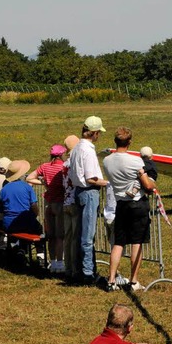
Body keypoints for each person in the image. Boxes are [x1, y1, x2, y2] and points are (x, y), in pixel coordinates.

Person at [103, 127, 156, 292]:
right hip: (137, 203)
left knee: (118, 243)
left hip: (120, 204)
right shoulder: (136, 161)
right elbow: (147, 185)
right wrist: (152, 183)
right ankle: (134, 280)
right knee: (136, 242)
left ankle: (111, 280)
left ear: (115, 141)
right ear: (129, 142)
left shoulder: (107, 161)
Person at [69, 116, 108, 284]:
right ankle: (87, 273)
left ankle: (81, 268)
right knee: (88, 235)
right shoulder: (88, 150)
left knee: (80, 233)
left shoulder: (77, 147)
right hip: (89, 191)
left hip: (78, 191)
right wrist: (108, 182)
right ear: (95, 133)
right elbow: (92, 178)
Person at [27, 145, 66, 273]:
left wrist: (43, 183)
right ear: (61, 155)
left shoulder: (45, 166)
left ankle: (53, 262)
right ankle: (60, 263)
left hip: (48, 202)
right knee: (60, 236)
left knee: (51, 236)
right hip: (60, 202)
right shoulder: (64, 167)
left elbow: (29, 178)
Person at [0, 160, 42, 235]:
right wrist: (34, 215)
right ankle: (39, 246)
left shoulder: (4, 189)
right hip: (25, 222)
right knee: (39, 229)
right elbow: (34, 205)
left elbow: (0, 207)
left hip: (8, 224)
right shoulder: (27, 187)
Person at [62, 135, 80, 280]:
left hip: (65, 201)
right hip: (74, 202)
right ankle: (75, 268)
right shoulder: (74, 162)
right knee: (75, 237)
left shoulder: (65, 164)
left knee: (67, 237)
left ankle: (67, 267)